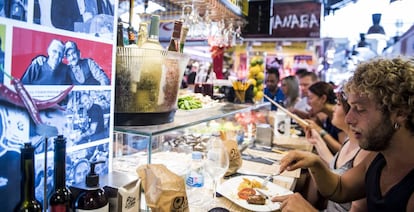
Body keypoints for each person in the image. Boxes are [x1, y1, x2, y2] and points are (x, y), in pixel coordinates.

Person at [272, 57, 414, 212]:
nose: (349, 119)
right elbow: (340, 188)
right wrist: (315, 163)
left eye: (359, 109)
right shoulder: (379, 159)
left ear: (400, 112)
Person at [303, 84, 371, 211]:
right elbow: (336, 167)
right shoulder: (348, 140)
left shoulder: (366, 152)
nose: (334, 108)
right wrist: (317, 140)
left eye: (338, 104)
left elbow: (342, 187)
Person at [307, 81, 346, 153]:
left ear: (323, 98)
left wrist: (319, 129)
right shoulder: (329, 117)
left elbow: (342, 150)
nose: (308, 102)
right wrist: (316, 122)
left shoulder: (339, 116)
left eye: (310, 98)